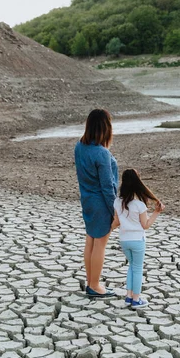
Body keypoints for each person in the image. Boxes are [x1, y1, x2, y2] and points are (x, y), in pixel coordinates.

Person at [75, 109, 118, 298]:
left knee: (91, 242)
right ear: (105, 127)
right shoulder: (102, 153)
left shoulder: (79, 146)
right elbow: (108, 187)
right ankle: (94, 285)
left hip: (87, 200)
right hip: (101, 204)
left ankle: (91, 281)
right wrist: (116, 211)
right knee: (100, 244)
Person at [111, 168, 165, 308]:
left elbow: (116, 221)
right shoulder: (139, 205)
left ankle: (129, 297)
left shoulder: (117, 201)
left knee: (132, 267)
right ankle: (136, 299)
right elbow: (145, 225)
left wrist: (108, 229)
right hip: (137, 241)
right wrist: (156, 213)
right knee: (137, 268)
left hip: (124, 240)